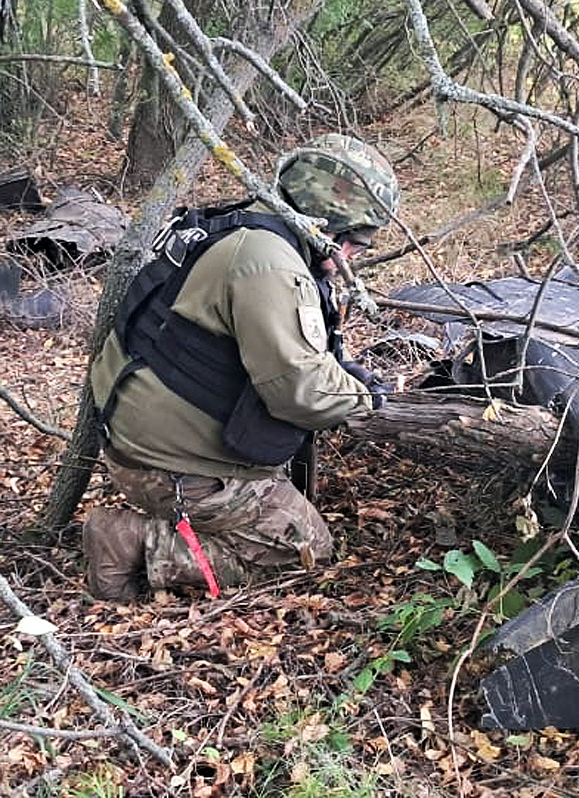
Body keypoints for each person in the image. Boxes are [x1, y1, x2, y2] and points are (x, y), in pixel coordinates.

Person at [84, 133, 399, 601]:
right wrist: (365, 399)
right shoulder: (269, 263)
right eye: (354, 241)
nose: (353, 256)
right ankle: (129, 541)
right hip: (170, 466)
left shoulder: (248, 226)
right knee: (307, 549)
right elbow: (301, 390)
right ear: (323, 225)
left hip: (140, 432)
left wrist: (346, 373)